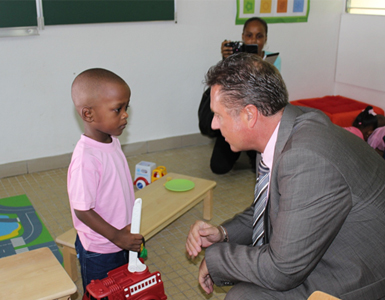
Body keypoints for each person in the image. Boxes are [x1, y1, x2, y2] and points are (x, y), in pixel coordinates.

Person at [187, 53, 385, 299]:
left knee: (244, 297)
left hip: (359, 274)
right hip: (333, 245)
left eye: (219, 115)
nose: (214, 125)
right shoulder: (284, 127)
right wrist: (223, 234)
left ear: (250, 115)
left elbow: (282, 270)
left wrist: (217, 260)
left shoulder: (304, 158)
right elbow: (270, 206)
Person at [68, 68, 143, 293]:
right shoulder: (86, 159)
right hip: (100, 250)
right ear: (88, 114)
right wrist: (117, 236)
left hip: (120, 238)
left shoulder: (112, 142)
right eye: (117, 109)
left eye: (126, 107)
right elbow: (82, 210)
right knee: (103, 294)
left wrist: (126, 230)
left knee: (123, 290)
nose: (125, 114)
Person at [199, 17, 281, 174]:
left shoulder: (272, 60)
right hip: (234, 119)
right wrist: (225, 61)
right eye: (249, 35)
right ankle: (239, 147)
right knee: (219, 168)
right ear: (243, 36)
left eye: (259, 36)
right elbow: (226, 92)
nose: (254, 40)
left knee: (260, 167)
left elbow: (269, 95)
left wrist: (259, 65)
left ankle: (251, 151)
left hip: (256, 121)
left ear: (265, 38)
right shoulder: (235, 58)